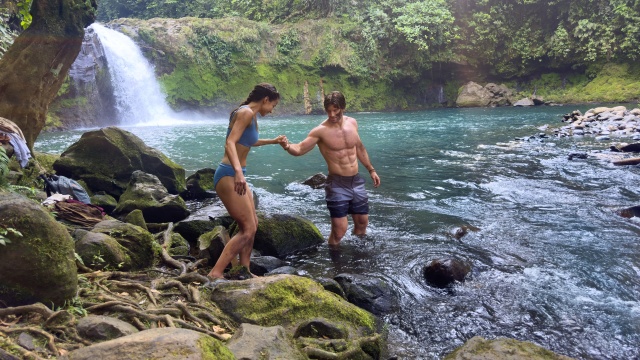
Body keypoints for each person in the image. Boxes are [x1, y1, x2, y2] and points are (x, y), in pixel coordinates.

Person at [280, 91, 380, 246]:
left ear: (343, 107)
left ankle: (358, 258)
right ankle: (336, 264)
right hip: (337, 183)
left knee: (362, 223)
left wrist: (371, 170)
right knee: (340, 230)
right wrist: (287, 146)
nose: (332, 114)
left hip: (356, 181)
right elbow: (299, 149)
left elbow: (359, 148)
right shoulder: (320, 131)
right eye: (328, 111)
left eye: (336, 110)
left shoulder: (352, 123)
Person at [207, 83, 285, 280]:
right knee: (248, 228)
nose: (272, 110)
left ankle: (244, 270)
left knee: (253, 225)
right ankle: (215, 273)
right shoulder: (246, 113)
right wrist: (238, 173)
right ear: (265, 99)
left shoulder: (251, 115)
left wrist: (273, 141)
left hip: (236, 173)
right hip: (229, 174)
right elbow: (230, 143)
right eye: (273, 106)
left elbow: (249, 141)